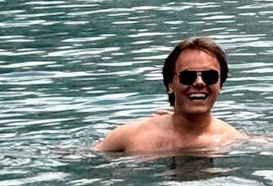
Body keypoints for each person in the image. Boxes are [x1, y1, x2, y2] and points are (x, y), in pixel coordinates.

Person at [97, 35, 248, 155]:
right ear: (170, 84)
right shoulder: (130, 137)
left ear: (220, 85)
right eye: (187, 76)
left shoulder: (231, 139)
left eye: (210, 77)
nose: (199, 83)